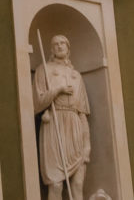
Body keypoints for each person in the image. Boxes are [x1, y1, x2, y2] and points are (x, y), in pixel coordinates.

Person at [33, 32, 93, 200]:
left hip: (74, 127)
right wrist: (57, 90)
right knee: (56, 184)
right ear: (51, 49)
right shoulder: (43, 69)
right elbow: (38, 102)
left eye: (62, 43)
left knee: (78, 184)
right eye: (55, 44)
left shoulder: (77, 76)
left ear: (68, 48)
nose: (59, 46)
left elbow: (82, 113)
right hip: (54, 124)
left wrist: (87, 145)